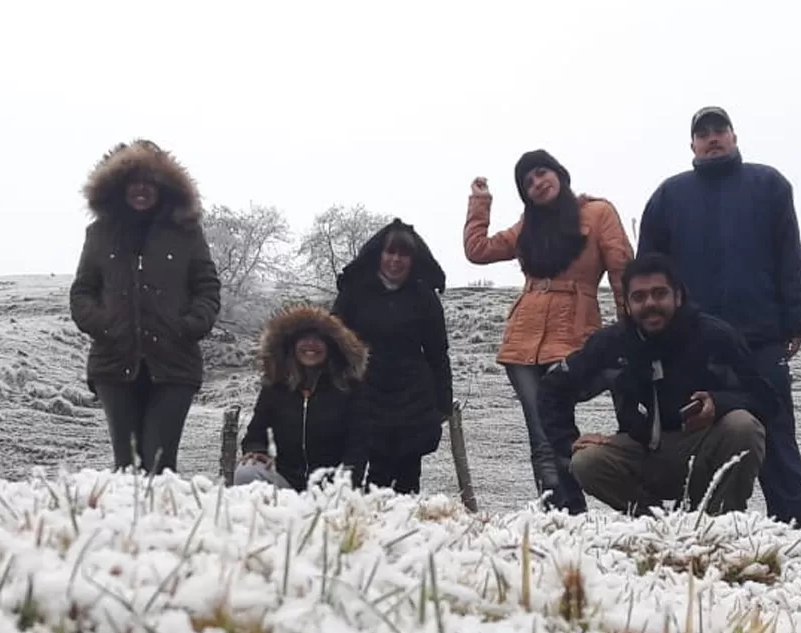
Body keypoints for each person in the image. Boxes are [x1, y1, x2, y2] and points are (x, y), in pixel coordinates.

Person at [637, 106, 801, 534]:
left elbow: (788, 254)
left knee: (776, 433)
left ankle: (797, 531)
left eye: (720, 130)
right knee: (696, 431)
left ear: (734, 137)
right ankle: (701, 530)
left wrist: (797, 319)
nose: (712, 138)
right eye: (703, 133)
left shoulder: (769, 185)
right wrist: (651, 326)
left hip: (759, 338)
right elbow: (648, 268)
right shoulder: (669, 196)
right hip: (691, 343)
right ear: (692, 145)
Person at [538, 252, 777, 517]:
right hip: (642, 452)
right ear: (627, 305)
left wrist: (719, 403)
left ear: (678, 296)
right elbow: (552, 389)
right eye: (639, 297)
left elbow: (765, 399)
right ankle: (653, 525)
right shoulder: (612, 343)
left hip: (703, 450)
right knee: (585, 461)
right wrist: (569, 441)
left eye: (659, 293)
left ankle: (715, 523)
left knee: (743, 425)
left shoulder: (716, 337)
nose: (650, 303)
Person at [463, 149, 633, 511]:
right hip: (522, 344)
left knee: (561, 423)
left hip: (575, 335)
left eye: (541, 173)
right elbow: (478, 251)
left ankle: (612, 497)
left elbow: (622, 272)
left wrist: (629, 329)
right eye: (527, 182)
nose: (537, 183)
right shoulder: (528, 225)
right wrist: (480, 202)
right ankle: (561, 515)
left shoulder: (598, 213)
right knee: (541, 436)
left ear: (559, 173)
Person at [69, 138, 221, 474]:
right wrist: (104, 323)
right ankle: (126, 527)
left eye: (149, 182)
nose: (140, 189)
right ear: (119, 187)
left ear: (163, 187)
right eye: (132, 182)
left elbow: (207, 286)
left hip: (174, 363)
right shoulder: (99, 234)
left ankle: (166, 526)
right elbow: (82, 291)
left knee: (159, 465)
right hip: (114, 364)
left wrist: (192, 323)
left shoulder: (186, 233)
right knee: (127, 468)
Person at [330, 219, 452, 494]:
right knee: (362, 476)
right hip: (365, 391)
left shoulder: (425, 297)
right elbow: (334, 340)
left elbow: (437, 353)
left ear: (412, 259)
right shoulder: (355, 292)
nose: (395, 260)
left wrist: (442, 404)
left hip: (412, 397)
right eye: (390, 252)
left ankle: (404, 532)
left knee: (407, 482)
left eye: (403, 254)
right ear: (379, 255)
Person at [234, 304, 367, 490]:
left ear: (331, 347)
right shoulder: (276, 386)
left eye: (319, 340)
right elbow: (255, 432)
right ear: (292, 345)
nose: (310, 345)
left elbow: (358, 442)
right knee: (246, 471)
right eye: (304, 339)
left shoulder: (348, 388)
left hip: (332, 486)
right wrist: (256, 450)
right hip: (286, 481)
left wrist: (347, 479)